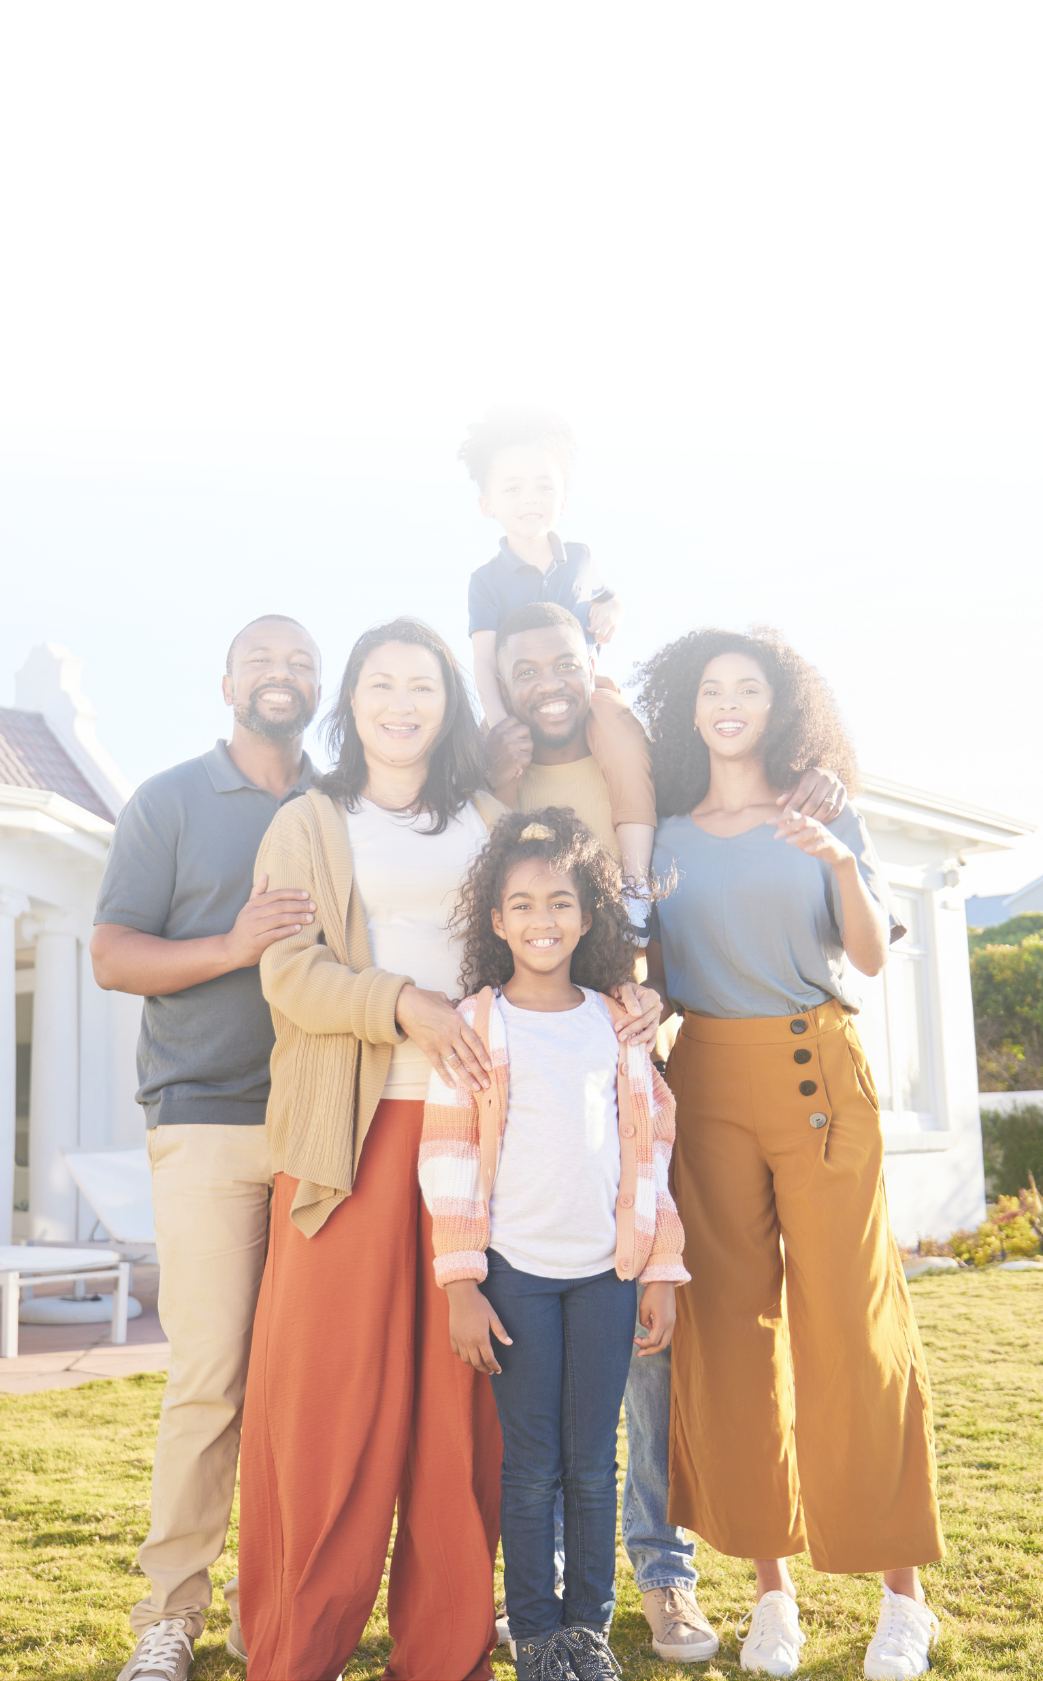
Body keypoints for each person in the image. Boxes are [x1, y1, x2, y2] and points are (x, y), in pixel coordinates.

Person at [236, 619, 662, 1681]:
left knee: (464, 1413)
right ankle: (299, 1647)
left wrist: (634, 996)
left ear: (447, 705)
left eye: (421, 684)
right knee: (328, 1408)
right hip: (354, 1136)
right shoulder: (311, 821)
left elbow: (550, 932)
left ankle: (445, 1649)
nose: (400, 702)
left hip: (489, 1149)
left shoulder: (488, 817)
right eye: (380, 683)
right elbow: (288, 975)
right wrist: (405, 1007)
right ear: (354, 701)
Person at [483, 601, 848, 1666]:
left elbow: (700, 842)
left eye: (563, 659)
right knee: (535, 1381)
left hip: (626, 1039)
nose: (545, 678)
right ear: (498, 679)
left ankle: (662, 1574)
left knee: (642, 1354)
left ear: (592, 662)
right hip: (524, 1046)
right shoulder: (496, 761)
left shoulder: (630, 747)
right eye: (523, 665)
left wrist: (817, 781)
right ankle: (541, 1593)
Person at [638, 627, 945, 1681]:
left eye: (749, 690)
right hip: (708, 1081)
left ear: (779, 707)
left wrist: (845, 863)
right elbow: (662, 976)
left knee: (851, 1330)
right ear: (692, 708)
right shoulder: (665, 838)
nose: (730, 704)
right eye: (714, 690)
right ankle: (774, 1594)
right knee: (729, 1336)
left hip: (819, 1071)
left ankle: (904, 1598)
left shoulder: (822, 812)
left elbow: (865, 956)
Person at [91, 615, 323, 1681]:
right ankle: (170, 1614)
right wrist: (231, 945)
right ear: (226, 680)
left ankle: (277, 1613)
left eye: (300, 662)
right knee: (211, 1380)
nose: (282, 675)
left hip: (331, 1130)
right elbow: (109, 954)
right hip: (206, 1124)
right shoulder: (169, 801)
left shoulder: (342, 805)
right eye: (263, 659)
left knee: (314, 1383)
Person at [419, 808, 689, 1681]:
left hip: (605, 1276)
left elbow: (652, 1150)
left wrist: (661, 1267)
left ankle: (588, 1633)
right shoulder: (476, 1024)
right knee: (532, 1467)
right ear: (496, 920)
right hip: (517, 1277)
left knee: (592, 1462)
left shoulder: (617, 1022)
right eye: (523, 904)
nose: (543, 920)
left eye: (561, 903)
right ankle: (536, 1633)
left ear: (587, 915)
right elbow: (450, 1157)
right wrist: (462, 1281)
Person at [459, 408, 656, 898]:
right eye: (513, 489)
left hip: (583, 692)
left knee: (626, 738)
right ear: (487, 503)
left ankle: (634, 885)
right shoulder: (485, 580)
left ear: (563, 498)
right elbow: (485, 660)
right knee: (481, 775)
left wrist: (614, 609)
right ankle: (496, 892)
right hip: (512, 698)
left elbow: (611, 598)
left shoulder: (582, 557)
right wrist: (501, 720)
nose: (530, 499)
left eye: (544, 487)